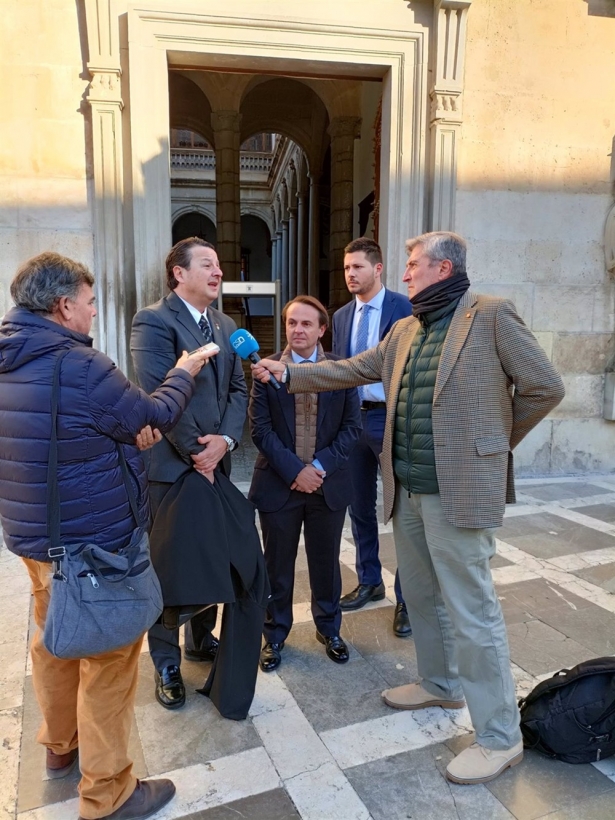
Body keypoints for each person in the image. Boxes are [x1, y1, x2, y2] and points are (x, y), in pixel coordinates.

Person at [251, 231, 565, 785]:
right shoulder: (405, 328)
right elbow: (351, 370)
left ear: (443, 268)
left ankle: (499, 736)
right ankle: (440, 685)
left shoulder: (491, 317)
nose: (407, 272)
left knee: (472, 611)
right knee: (419, 593)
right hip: (410, 491)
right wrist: (289, 373)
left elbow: (544, 386)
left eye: (414, 264)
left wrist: (491, 446)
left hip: (458, 491)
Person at [0, 252, 215, 820]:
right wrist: (185, 371)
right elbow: (155, 412)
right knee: (109, 659)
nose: (95, 312)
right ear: (63, 305)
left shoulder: (9, 357)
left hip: (35, 538)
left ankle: (58, 746)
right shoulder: (80, 363)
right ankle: (108, 793)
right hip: (93, 542)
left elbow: (55, 437)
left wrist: (120, 444)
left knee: (53, 641)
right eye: (90, 302)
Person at [130, 237, 248, 710]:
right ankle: (166, 661)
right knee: (170, 567)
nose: (217, 272)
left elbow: (238, 390)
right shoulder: (153, 321)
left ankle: (202, 639)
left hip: (215, 462)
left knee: (215, 556)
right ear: (178, 273)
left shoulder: (226, 324)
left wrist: (226, 443)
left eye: (219, 265)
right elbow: (162, 393)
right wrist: (200, 451)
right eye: (207, 265)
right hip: (173, 469)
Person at [249, 296, 361, 671]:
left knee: (326, 564)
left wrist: (318, 467)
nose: (298, 330)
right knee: (276, 564)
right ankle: (274, 635)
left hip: (327, 486)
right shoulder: (267, 371)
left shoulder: (341, 371)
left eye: (306, 324)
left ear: (322, 330)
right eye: (292, 323)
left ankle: (329, 628)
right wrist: (296, 471)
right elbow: (261, 431)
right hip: (280, 486)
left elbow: (351, 428)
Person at [333, 237, 413, 637]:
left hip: (391, 419)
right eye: (347, 268)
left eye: (358, 268)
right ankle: (370, 580)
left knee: (403, 510)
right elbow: (339, 370)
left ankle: (407, 598)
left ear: (377, 269)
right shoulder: (342, 316)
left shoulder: (405, 309)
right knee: (359, 506)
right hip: (353, 421)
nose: (350, 274)